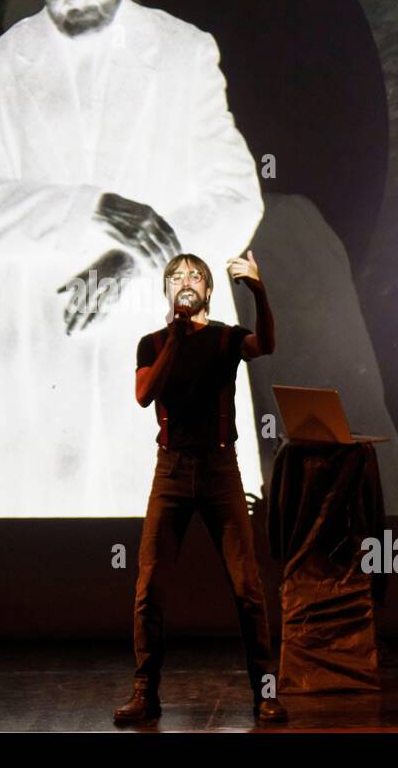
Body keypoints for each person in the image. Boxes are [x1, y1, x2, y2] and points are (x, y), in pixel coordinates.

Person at [0, 0, 265, 517]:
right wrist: (94, 209)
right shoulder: (8, 60)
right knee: (23, 561)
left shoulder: (185, 53)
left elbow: (237, 197)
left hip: (158, 343)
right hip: (29, 350)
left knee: (168, 555)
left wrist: (139, 258)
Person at [114, 250, 288, 723]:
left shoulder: (225, 339)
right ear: (167, 291)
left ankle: (265, 693)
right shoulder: (152, 344)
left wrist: (258, 290)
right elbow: (145, 394)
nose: (185, 280)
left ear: (209, 290)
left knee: (248, 586)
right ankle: (145, 692)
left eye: (195, 275)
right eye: (176, 276)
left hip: (219, 471)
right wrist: (175, 331)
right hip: (170, 472)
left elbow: (266, 345)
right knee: (149, 585)